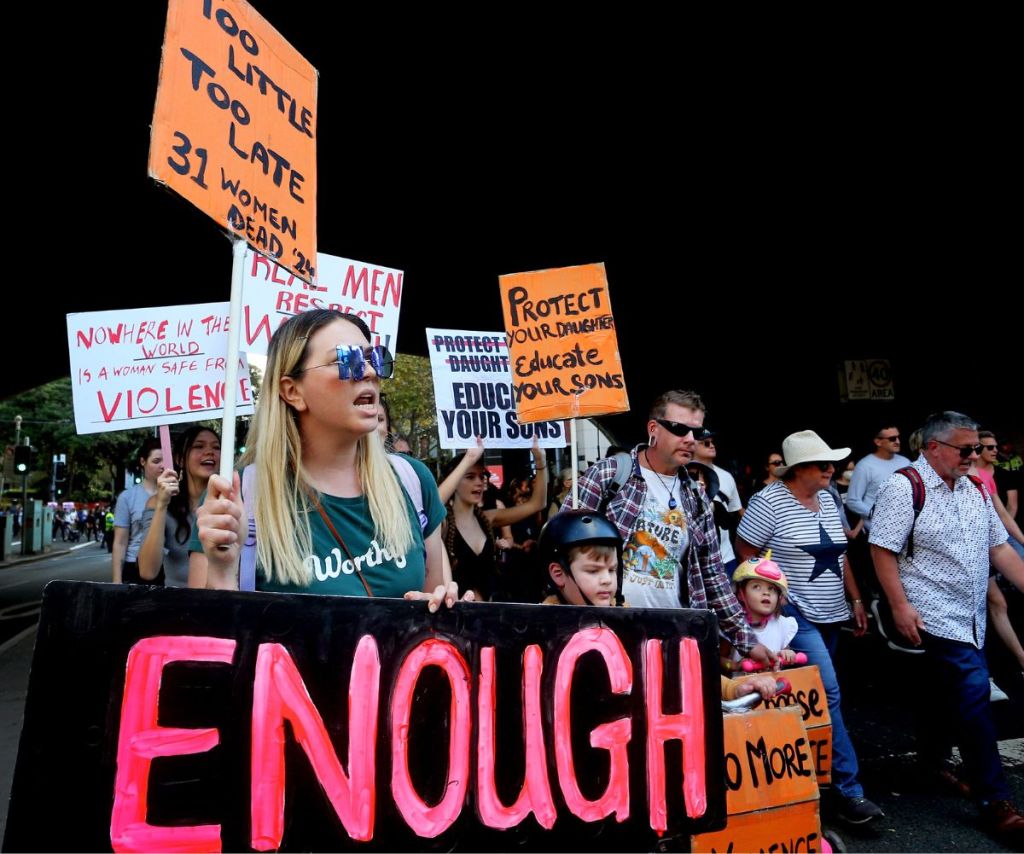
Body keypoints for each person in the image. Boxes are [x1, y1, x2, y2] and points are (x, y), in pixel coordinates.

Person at [196, 309, 458, 610]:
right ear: (292, 391)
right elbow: (215, 643)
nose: (370, 372)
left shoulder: (413, 480)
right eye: (346, 360)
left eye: (374, 358)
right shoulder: (238, 497)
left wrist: (444, 603)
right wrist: (222, 570)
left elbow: (435, 620)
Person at [869, 411, 1024, 845]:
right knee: (974, 693)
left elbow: (999, 549)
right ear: (933, 447)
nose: (973, 456)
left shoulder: (975, 488)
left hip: (970, 613)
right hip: (930, 613)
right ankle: (996, 802)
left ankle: (931, 763)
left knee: (941, 692)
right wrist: (900, 607)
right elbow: (882, 550)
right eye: (965, 449)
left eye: (977, 448)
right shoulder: (904, 487)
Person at [563, 389, 773, 667]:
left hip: (672, 636)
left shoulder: (696, 498)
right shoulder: (610, 474)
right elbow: (561, 544)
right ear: (654, 429)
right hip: (606, 631)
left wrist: (747, 641)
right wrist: (582, 615)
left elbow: (713, 576)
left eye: (696, 433)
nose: (689, 440)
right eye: (678, 429)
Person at [736, 429, 881, 827]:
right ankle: (850, 792)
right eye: (823, 465)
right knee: (828, 692)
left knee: (812, 699)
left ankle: (810, 782)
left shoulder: (828, 497)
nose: (831, 470)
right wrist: (775, 600)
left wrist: (854, 599)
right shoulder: (768, 502)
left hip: (833, 611)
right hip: (795, 615)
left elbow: (839, 554)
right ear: (800, 469)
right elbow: (746, 557)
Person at [539, 509, 781, 702]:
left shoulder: (628, 619)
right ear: (558, 574)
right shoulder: (539, 628)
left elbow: (677, 667)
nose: (606, 580)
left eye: (612, 570)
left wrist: (733, 688)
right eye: (593, 571)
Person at [437, 438, 549, 601]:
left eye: (482, 476)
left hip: (489, 615)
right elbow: (431, 507)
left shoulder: (487, 519)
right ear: (454, 480)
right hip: (455, 618)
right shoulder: (443, 523)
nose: (479, 482)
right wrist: (468, 458)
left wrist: (540, 460)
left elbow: (538, 504)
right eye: (470, 476)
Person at [138, 426, 221, 588]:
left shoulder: (232, 502)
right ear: (180, 459)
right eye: (199, 446)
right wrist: (162, 505)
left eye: (216, 447)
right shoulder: (158, 502)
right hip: (178, 607)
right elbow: (147, 571)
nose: (209, 451)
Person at [723, 552, 799, 669]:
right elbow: (719, 659)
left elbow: (785, 650)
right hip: (742, 685)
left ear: (779, 597)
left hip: (776, 685)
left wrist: (788, 654)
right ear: (741, 594)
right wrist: (734, 665)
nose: (766, 593)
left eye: (772, 589)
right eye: (756, 587)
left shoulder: (782, 624)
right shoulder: (733, 626)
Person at [112, 437, 164, 585]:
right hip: (135, 567)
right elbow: (120, 542)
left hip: (167, 567)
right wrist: (117, 581)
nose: (162, 466)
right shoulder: (127, 497)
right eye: (156, 461)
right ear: (143, 462)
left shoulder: (177, 495)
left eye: (165, 461)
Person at [692, 431, 744, 571]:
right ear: (691, 445)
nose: (712, 445)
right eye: (706, 443)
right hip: (693, 558)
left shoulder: (726, 476)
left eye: (712, 442)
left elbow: (737, 512)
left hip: (725, 557)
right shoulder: (679, 474)